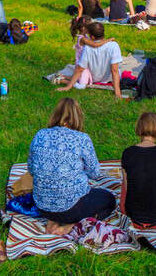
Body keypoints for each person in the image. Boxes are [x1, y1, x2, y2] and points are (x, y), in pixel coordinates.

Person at [28, 98, 115, 235]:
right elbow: (95, 173)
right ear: (78, 117)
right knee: (109, 199)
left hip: (42, 206)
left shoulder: (40, 134)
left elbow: (31, 170)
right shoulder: (82, 138)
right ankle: (71, 225)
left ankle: (52, 220)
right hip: (71, 208)